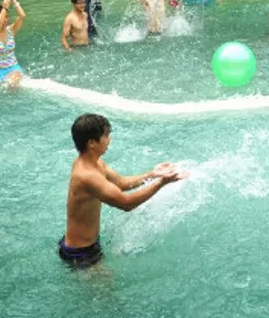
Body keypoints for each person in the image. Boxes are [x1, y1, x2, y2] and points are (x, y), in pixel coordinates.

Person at [60, 113, 187, 268]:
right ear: (92, 143)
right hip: (80, 253)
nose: (109, 139)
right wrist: (162, 183)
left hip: (86, 243)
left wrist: (153, 174)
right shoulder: (87, 176)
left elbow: (121, 183)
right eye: (106, 135)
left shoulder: (93, 162)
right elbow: (126, 204)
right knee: (106, 284)